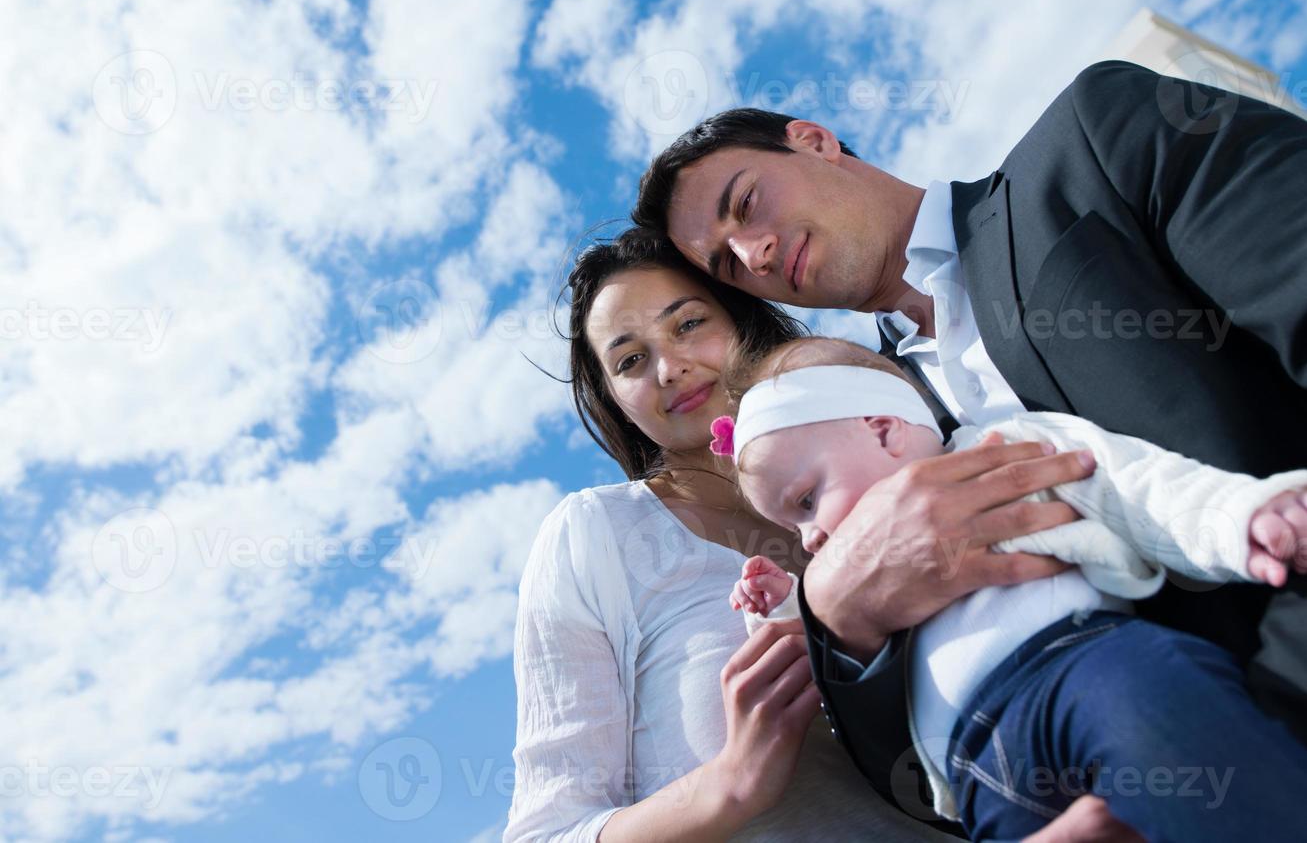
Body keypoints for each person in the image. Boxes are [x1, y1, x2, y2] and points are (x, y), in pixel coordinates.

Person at [629, 60, 1307, 811]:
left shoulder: (1091, 142)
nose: (753, 254)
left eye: (746, 205)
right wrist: (840, 617)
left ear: (814, 141)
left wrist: (1233, 750)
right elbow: (905, 757)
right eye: (728, 264)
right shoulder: (851, 431)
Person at [504, 229, 1133, 841]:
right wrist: (733, 781)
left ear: (745, 321)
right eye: (630, 360)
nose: (669, 367)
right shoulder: (597, 534)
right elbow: (546, 833)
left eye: (689, 322)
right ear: (615, 401)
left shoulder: (885, 459)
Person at [717, 335, 1307, 840]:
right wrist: (777, 608)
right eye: (793, 526)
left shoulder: (1000, 450)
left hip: (1080, 669)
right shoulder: (849, 579)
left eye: (807, 501)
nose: (812, 536)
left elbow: (1138, 485)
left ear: (883, 430)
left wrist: (1244, 517)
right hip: (974, 775)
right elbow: (824, 652)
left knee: (1187, 746)